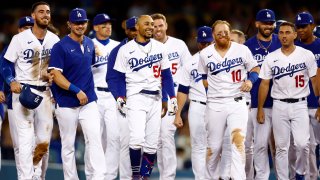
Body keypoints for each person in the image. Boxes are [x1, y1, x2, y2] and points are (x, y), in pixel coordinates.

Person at [113, 15, 177, 180]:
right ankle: (135, 175)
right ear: (138, 26)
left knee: (151, 142)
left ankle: (144, 176)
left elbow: (167, 75)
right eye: (147, 24)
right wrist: (120, 97)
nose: (151, 27)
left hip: (155, 98)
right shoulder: (125, 49)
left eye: (153, 25)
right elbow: (118, 77)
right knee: (136, 139)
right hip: (135, 97)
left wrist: (171, 97)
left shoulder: (160, 47)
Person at [2, 2, 59, 179]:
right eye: (41, 12)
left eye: (48, 12)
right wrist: (10, 80)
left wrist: (53, 79)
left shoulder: (54, 40)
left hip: (46, 94)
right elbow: (5, 64)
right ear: (33, 16)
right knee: (25, 143)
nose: (45, 15)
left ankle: (37, 177)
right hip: (23, 93)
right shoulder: (19, 39)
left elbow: (58, 69)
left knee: (43, 143)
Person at [48, 8, 106, 179]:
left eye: (83, 22)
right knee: (68, 145)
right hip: (67, 101)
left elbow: (88, 68)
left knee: (94, 139)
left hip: (88, 101)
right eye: (76, 23)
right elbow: (56, 75)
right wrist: (76, 90)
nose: (80, 25)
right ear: (69, 24)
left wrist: (84, 91)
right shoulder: (60, 46)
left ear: (87, 23)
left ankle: (98, 176)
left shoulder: (89, 43)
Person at [198, 20, 260, 179]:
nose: (223, 35)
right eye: (219, 33)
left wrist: (250, 81)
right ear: (213, 35)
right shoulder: (205, 54)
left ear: (230, 32)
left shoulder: (242, 50)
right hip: (215, 103)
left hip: (236, 102)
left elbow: (255, 68)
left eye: (225, 32)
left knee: (237, 144)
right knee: (214, 147)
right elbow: (204, 78)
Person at [257, 21, 318, 180]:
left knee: (302, 144)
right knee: (282, 148)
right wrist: (260, 109)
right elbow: (264, 84)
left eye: (287, 32)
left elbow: (315, 81)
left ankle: (300, 172)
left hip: (300, 104)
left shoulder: (306, 55)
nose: (284, 36)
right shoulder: (272, 57)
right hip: (279, 105)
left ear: (295, 34)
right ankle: (283, 178)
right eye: (281, 33)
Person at [150, 13, 192, 180]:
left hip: (173, 94)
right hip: (153, 96)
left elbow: (190, 69)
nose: (157, 29)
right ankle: (163, 174)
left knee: (166, 135)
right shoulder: (147, 46)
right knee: (156, 139)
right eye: (154, 26)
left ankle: (168, 176)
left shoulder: (179, 45)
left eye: (160, 25)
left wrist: (184, 98)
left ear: (166, 26)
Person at [244, 8, 281, 179]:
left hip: (282, 101)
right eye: (265, 23)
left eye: (271, 22)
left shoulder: (282, 42)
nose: (268, 25)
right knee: (259, 145)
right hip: (257, 102)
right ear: (257, 24)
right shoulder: (247, 47)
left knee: (282, 146)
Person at [173, 26, 213, 180]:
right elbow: (182, 89)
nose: (205, 46)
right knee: (198, 146)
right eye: (202, 43)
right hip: (197, 105)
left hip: (216, 105)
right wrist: (178, 114)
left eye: (208, 43)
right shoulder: (190, 63)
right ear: (197, 42)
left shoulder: (222, 60)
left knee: (216, 145)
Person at [0, 15, 35, 178]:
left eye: (30, 27)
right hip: (15, 99)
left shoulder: (42, 45)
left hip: (37, 98)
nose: (27, 30)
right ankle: (24, 176)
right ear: (19, 30)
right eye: (24, 28)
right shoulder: (11, 47)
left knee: (35, 142)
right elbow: (3, 70)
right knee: (20, 144)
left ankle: (32, 175)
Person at [106, 16, 138, 180]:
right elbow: (112, 78)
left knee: (149, 144)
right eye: (132, 29)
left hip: (149, 101)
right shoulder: (117, 51)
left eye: (137, 29)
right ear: (126, 30)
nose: (135, 32)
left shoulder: (154, 48)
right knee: (127, 143)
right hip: (127, 102)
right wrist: (119, 97)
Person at [91, 13, 120, 179]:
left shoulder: (118, 46)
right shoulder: (88, 44)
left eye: (109, 24)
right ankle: (94, 175)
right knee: (94, 138)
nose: (108, 27)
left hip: (113, 97)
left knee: (114, 138)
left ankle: (109, 176)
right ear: (95, 27)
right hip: (94, 94)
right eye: (103, 24)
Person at [294, 11, 320, 180]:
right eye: (298, 27)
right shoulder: (294, 46)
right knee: (307, 145)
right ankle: (311, 177)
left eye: (304, 26)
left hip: (317, 102)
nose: (301, 30)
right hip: (301, 104)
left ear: (312, 26)